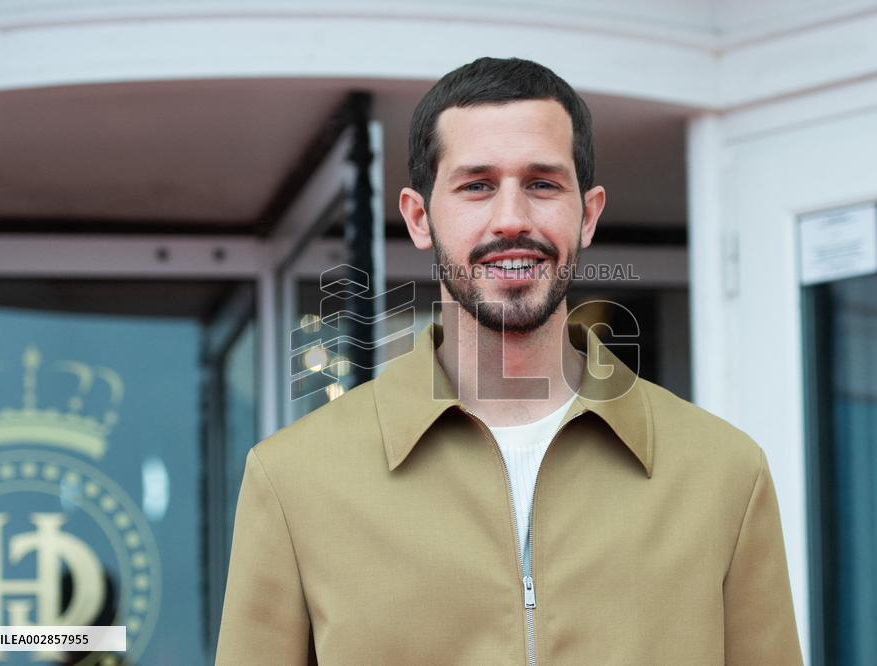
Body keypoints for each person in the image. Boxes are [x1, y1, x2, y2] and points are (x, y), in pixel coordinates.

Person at [215, 56, 803, 664]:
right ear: (419, 218)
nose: (512, 219)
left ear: (589, 213)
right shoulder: (293, 481)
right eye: (477, 185)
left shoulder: (724, 474)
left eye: (543, 184)